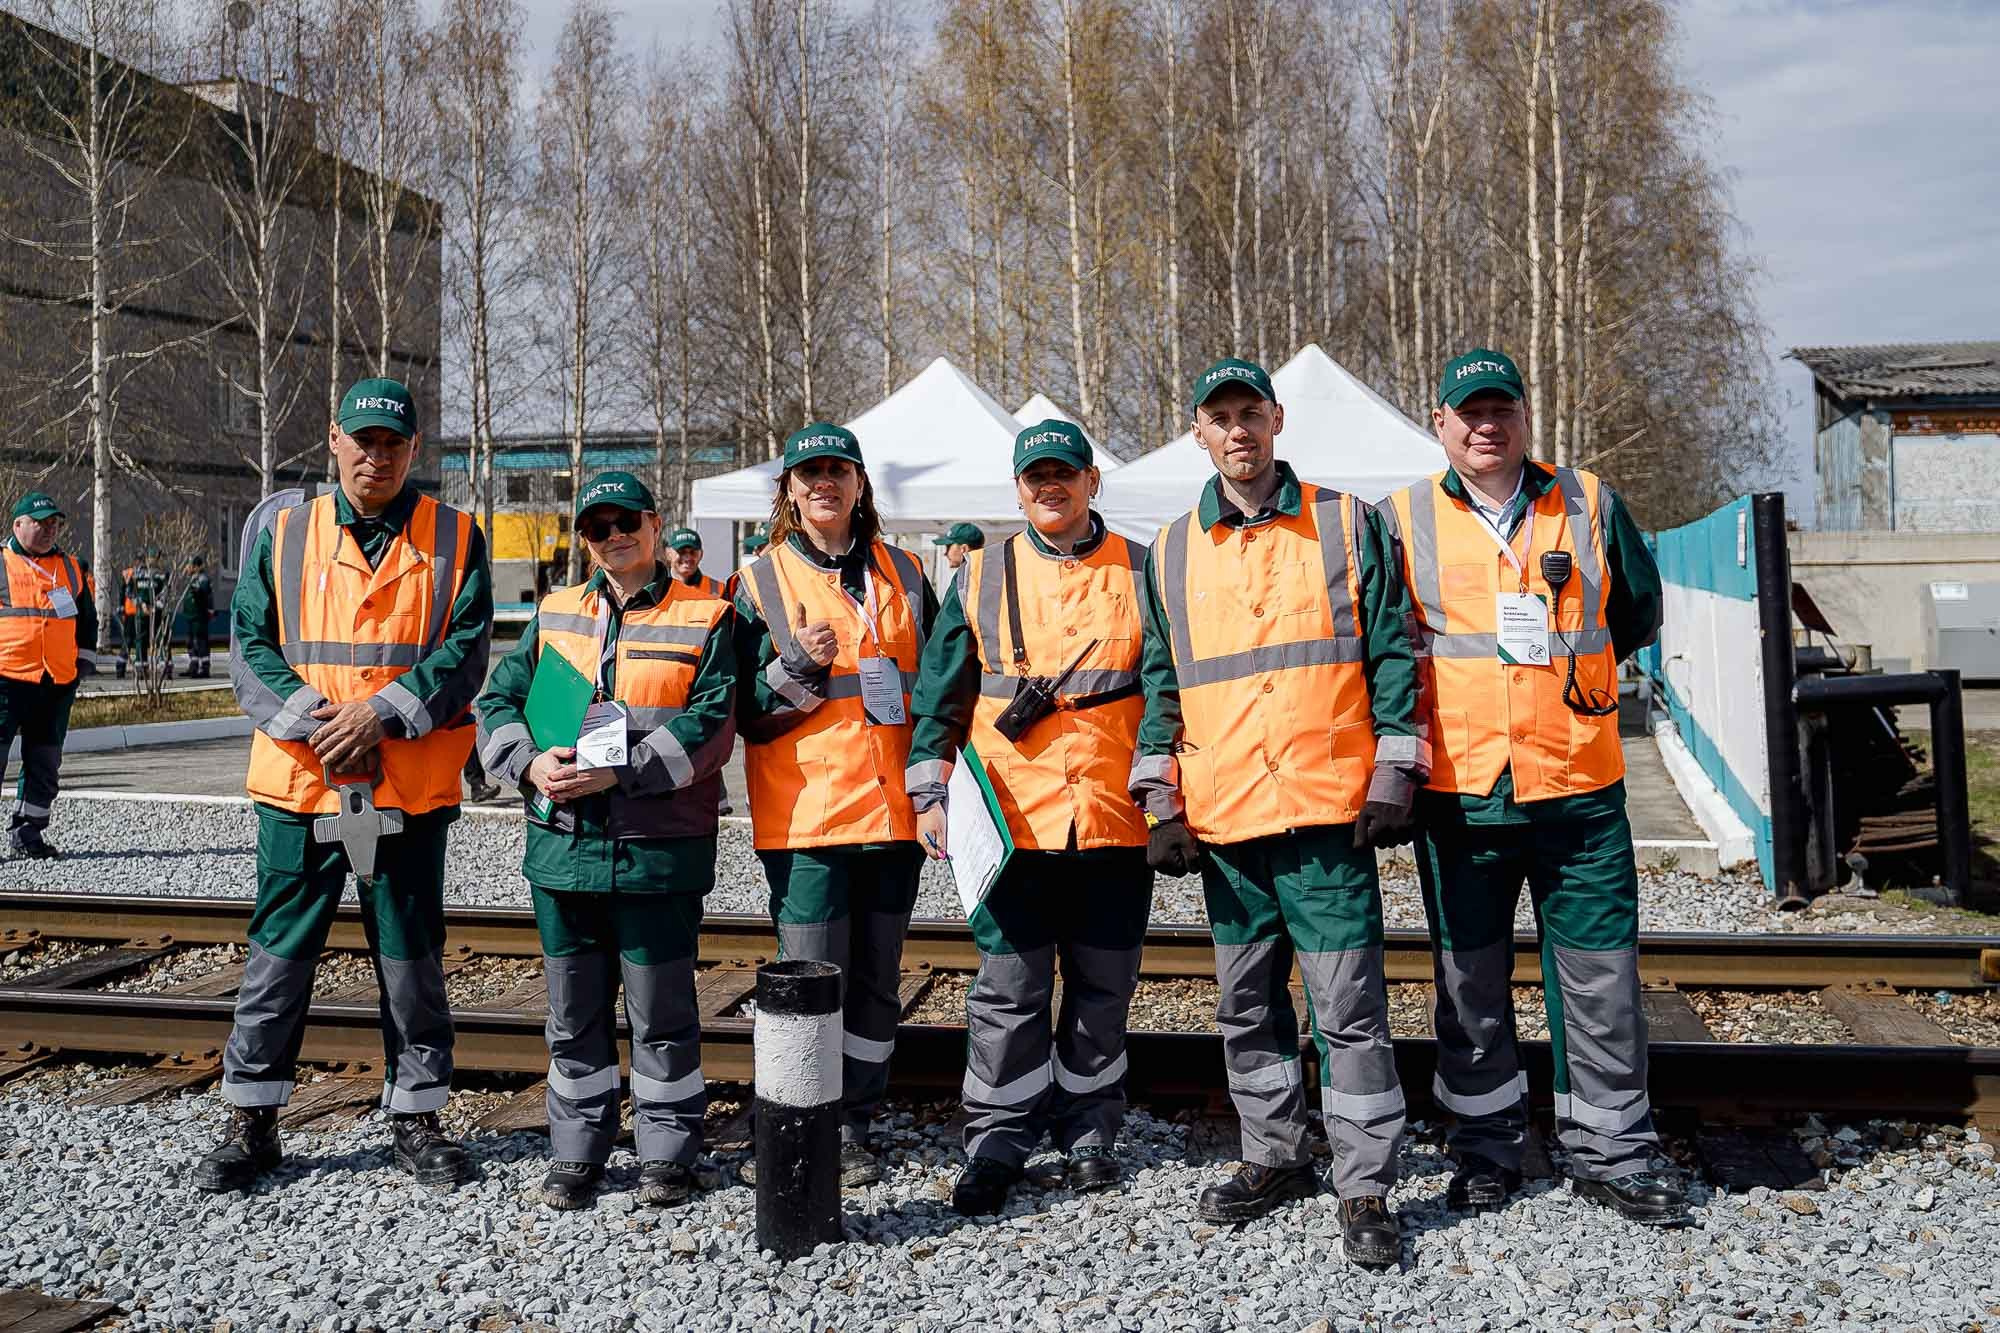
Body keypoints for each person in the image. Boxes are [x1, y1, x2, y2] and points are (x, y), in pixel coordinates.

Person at [1130, 357, 1424, 1267]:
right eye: (1219, 417)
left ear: (1278, 418)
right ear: (1198, 433)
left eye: (1250, 412)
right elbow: (1162, 685)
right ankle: (1273, 1155)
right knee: (1246, 1004)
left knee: (1349, 1008)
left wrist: (1392, 777)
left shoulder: (1345, 523)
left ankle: (1366, 1183)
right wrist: (1159, 802)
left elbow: (1392, 658)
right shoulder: (1174, 549)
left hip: (1327, 819)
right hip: (1225, 827)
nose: (1237, 431)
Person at [1380, 348, 1681, 1225]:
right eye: (1468, 411)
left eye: (1501, 408)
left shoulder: (1588, 502)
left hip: (1578, 786)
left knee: (1600, 978)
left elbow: (1636, 614)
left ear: (1524, 417)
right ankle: (1485, 1149)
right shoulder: (1399, 519)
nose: (1486, 425)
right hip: (1463, 793)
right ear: (1439, 423)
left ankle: (1613, 1150)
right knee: (1469, 984)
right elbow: (1385, 644)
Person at [196, 377, 492, 1194]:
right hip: (301, 781)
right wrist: (318, 720)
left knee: (410, 952)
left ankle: (417, 1116)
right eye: (363, 440)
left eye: (393, 443)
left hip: (406, 783)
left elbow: (465, 654)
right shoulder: (284, 533)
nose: (377, 456)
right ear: (333, 440)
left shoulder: (456, 537)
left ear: (414, 451)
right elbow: (249, 645)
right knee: (280, 953)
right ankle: (252, 1120)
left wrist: (382, 716)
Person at [907, 421, 1152, 1216]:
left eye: (1065, 473)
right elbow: (939, 693)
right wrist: (929, 792)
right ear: (1018, 488)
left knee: (1103, 987)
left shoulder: (1144, 570)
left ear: (1091, 480)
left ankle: (1089, 1132)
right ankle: (998, 1138)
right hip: (1010, 822)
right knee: (1008, 990)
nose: (1051, 486)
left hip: (1113, 818)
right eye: (1035, 475)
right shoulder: (979, 575)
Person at [477, 471, 736, 1211]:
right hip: (562, 852)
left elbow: (711, 728)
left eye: (628, 520)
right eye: (598, 526)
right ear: (586, 540)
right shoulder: (555, 613)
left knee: (662, 1014)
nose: (615, 534)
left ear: (656, 526)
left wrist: (614, 772)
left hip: (659, 851)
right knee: (574, 1016)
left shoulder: (707, 616)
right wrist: (527, 760)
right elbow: (497, 700)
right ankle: (577, 1152)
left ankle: (667, 1153)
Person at [732, 422, 937, 1187]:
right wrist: (794, 668)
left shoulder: (908, 572)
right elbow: (740, 709)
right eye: (808, 472)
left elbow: (939, 686)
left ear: (859, 486)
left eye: (837, 470)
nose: (824, 482)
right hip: (808, 818)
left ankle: (854, 1116)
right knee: (810, 983)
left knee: (879, 980)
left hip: (893, 818)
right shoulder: (757, 583)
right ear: (789, 489)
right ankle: (793, 1121)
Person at [0, 492, 97, 859]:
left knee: (44, 763)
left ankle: (28, 835)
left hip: (54, 683)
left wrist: (82, 663)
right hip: (5, 680)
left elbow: (88, 622)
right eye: (40, 523)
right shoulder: (1, 563)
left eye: (54, 524)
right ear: (18, 525)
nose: (48, 530)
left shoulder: (72, 568)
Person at [666, 527, 725, 597]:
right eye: (681, 552)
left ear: (701, 554)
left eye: (693, 552)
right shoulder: (658, 589)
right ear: (668, 554)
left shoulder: (719, 590)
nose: (687, 558)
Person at [183, 554, 214, 678]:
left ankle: (204, 668)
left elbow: (202, 593)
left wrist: (193, 585)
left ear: (196, 567)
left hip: (199, 615)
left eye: (190, 566)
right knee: (191, 642)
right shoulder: (193, 578)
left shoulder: (202, 579)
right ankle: (194, 666)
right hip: (191, 615)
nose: (188, 568)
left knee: (201, 641)